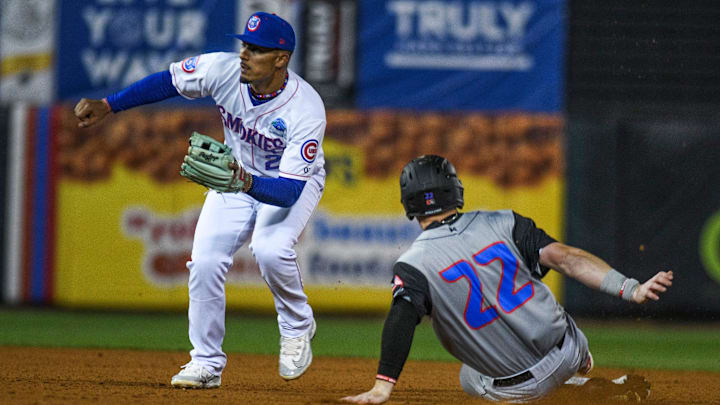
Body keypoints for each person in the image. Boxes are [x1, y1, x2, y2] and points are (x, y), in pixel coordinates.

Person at [74, 12, 326, 387]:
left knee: (270, 249)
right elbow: (168, 82)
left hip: (289, 184)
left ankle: (297, 325)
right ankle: (206, 363)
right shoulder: (222, 70)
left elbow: (289, 193)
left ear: (280, 59)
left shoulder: (305, 108)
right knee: (205, 262)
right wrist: (111, 104)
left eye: (256, 50)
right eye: (244, 45)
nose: (245, 54)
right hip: (234, 175)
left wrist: (244, 182)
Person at [341, 155, 673, 404]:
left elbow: (401, 317)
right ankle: (582, 371)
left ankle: (568, 391)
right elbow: (567, 259)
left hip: (516, 390)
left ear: (409, 204)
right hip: (569, 348)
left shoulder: (412, 264)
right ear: (455, 190)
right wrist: (632, 288)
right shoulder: (503, 222)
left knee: (469, 377)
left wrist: (383, 386)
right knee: (539, 285)